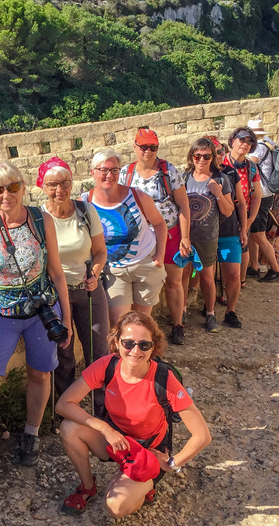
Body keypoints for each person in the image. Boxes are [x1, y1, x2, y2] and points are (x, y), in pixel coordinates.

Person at [0, 163, 72, 467]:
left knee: (39, 374)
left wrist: (68, 320)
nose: (5, 195)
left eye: (12, 187)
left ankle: (31, 434)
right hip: (0, 318)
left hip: (43, 313)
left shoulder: (40, 219)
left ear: (23, 188)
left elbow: (56, 273)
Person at [55, 311, 211, 518]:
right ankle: (88, 486)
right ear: (117, 343)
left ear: (153, 347)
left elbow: (202, 435)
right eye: (128, 343)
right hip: (115, 440)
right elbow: (63, 404)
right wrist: (104, 428)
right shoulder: (108, 365)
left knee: (115, 508)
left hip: (147, 452)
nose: (135, 350)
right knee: (69, 427)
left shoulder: (163, 378)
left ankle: (143, 484)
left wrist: (173, 464)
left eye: (144, 345)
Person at [38, 157, 110, 397]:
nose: (59, 190)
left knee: (98, 352)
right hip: (57, 296)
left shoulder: (85, 211)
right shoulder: (38, 219)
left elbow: (100, 251)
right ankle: (68, 406)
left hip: (89, 290)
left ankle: (102, 404)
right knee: (63, 353)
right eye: (52, 185)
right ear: (43, 187)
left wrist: (96, 273)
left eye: (64, 183)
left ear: (72, 183)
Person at [119, 128, 192, 346]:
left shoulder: (168, 171)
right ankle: (136, 333)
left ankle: (177, 325)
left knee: (174, 281)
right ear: (135, 147)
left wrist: (185, 237)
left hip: (169, 232)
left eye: (153, 147)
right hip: (140, 237)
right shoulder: (126, 174)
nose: (148, 152)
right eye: (143, 147)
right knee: (137, 283)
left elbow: (183, 204)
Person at [83, 149, 167, 327]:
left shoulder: (137, 196)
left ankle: (145, 354)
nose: (109, 175)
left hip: (145, 263)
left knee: (143, 323)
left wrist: (160, 255)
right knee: (120, 324)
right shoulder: (85, 202)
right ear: (93, 172)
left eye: (114, 170)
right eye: (103, 170)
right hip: (114, 270)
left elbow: (159, 224)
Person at [180, 138, 235, 332]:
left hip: (208, 237)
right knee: (184, 275)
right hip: (186, 236)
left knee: (207, 278)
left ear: (212, 157)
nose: (201, 160)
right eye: (197, 156)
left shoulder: (220, 179)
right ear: (192, 157)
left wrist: (217, 193)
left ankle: (210, 314)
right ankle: (183, 309)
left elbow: (228, 211)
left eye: (206, 156)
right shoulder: (184, 177)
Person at [216, 128, 254, 329]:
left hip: (228, 232)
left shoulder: (230, 172)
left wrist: (243, 228)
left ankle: (230, 311)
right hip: (206, 235)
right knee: (202, 274)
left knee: (232, 273)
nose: (217, 155)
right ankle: (208, 309)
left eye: (219, 151)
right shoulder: (192, 175)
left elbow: (241, 203)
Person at [246, 119, 279, 282]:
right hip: (264, 194)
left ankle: (276, 270)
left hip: (261, 196)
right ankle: (254, 267)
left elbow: (248, 164)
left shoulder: (260, 148)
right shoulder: (268, 145)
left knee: (259, 235)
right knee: (253, 235)